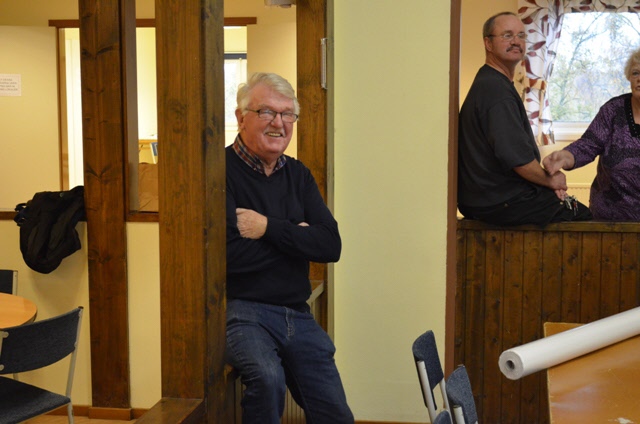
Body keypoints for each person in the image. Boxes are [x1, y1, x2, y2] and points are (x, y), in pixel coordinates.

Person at [225, 72, 354, 424]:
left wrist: (267, 228)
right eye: (266, 112)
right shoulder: (219, 172)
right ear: (241, 117)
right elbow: (230, 257)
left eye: (287, 114)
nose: (278, 123)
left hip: (296, 313)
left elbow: (330, 245)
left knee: (336, 413)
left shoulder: (298, 174)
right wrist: (297, 239)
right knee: (268, 381)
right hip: (243, 312)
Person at [457, 11, 592, 226]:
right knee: (581, 217)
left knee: (569, 205)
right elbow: (518, 160)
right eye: (507, 35)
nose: (516, 41)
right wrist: (551, 180)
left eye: (521, 35)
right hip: (498, 200)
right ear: (488, 43)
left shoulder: (493, 82)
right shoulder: (495, 90)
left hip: (490, 198)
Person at [542, 48, 640, 221]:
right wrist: (566, 156)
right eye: (635, 73)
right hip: (609, 220)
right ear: (629, 77)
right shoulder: (613, 110)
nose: (639, 79)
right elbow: (588, 144)